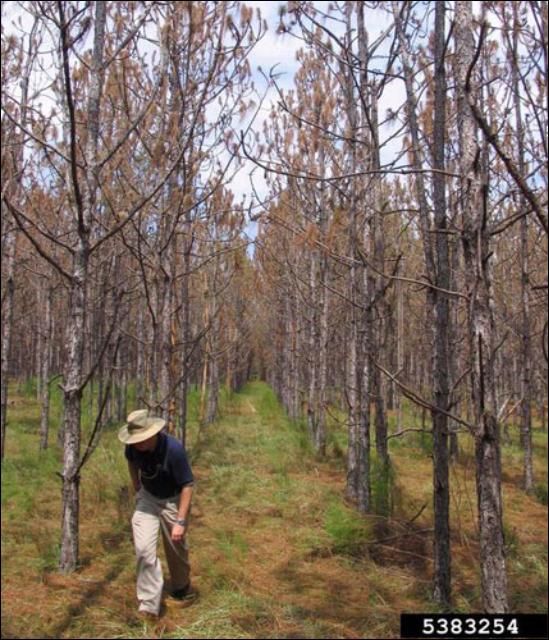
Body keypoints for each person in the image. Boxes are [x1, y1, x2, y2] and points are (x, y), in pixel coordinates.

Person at [118, 408, 196, 617]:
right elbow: (131, 461)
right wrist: (136, 484)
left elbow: (187, 485)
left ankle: (181, 587)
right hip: (148, 498)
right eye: (135, 440)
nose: (138, 444)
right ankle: (149, 605)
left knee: (176, 547)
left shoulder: (174, 450)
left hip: (173, 500)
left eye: (142, 440)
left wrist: (180, 520)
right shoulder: (133, 447)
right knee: (143, 550)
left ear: (152, 434)